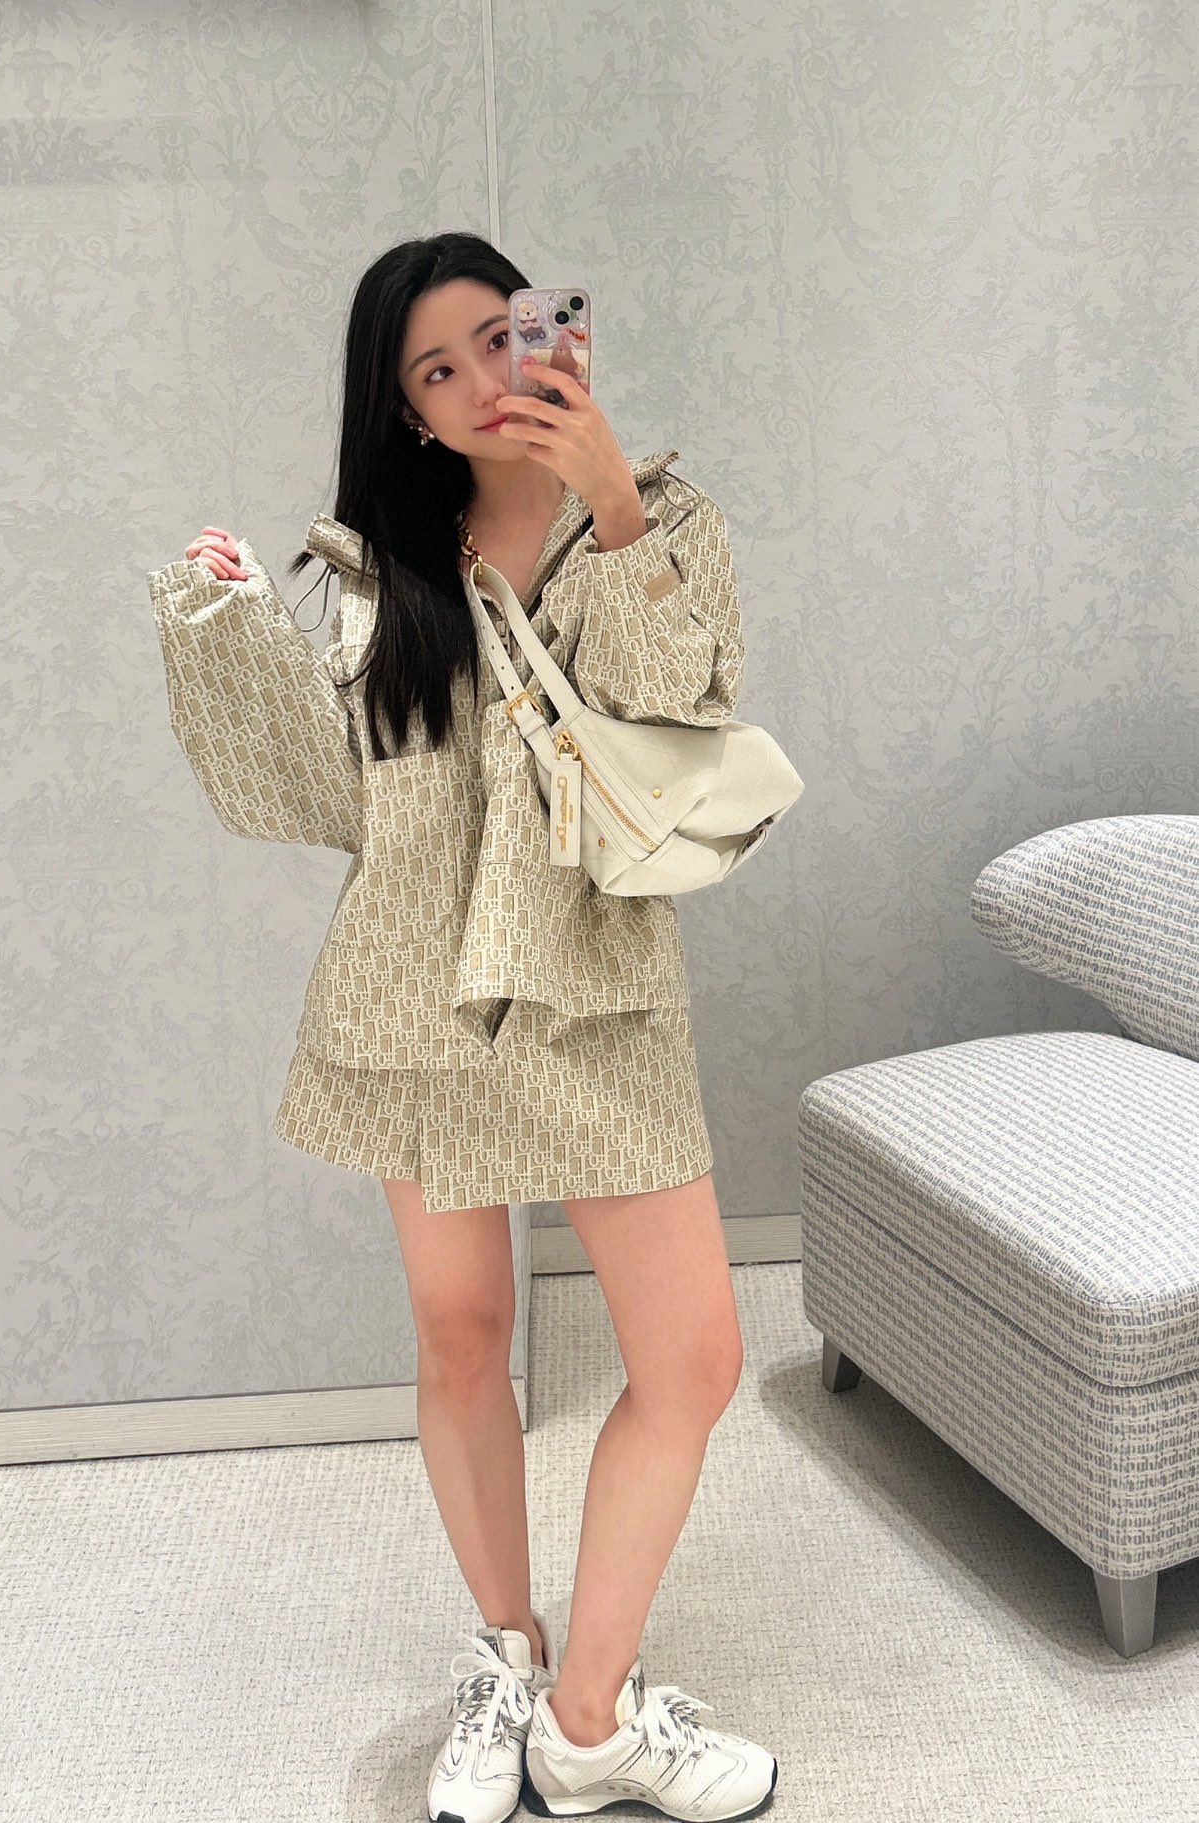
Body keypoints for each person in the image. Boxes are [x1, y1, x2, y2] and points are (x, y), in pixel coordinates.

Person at [148, 231, 778, 1823]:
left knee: (691, 1359)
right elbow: (322, 798)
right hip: (411, 991)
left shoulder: (666, 517)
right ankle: (509, 1658)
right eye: (436, 368)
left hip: (596, 990)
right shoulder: (379, 571)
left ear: (551, 329)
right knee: (460, 1334)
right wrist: (228, 634)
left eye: (501, 337)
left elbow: (685, 709)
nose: (483, 380)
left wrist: (610, 502)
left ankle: (586, 1721)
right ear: (406, 411)